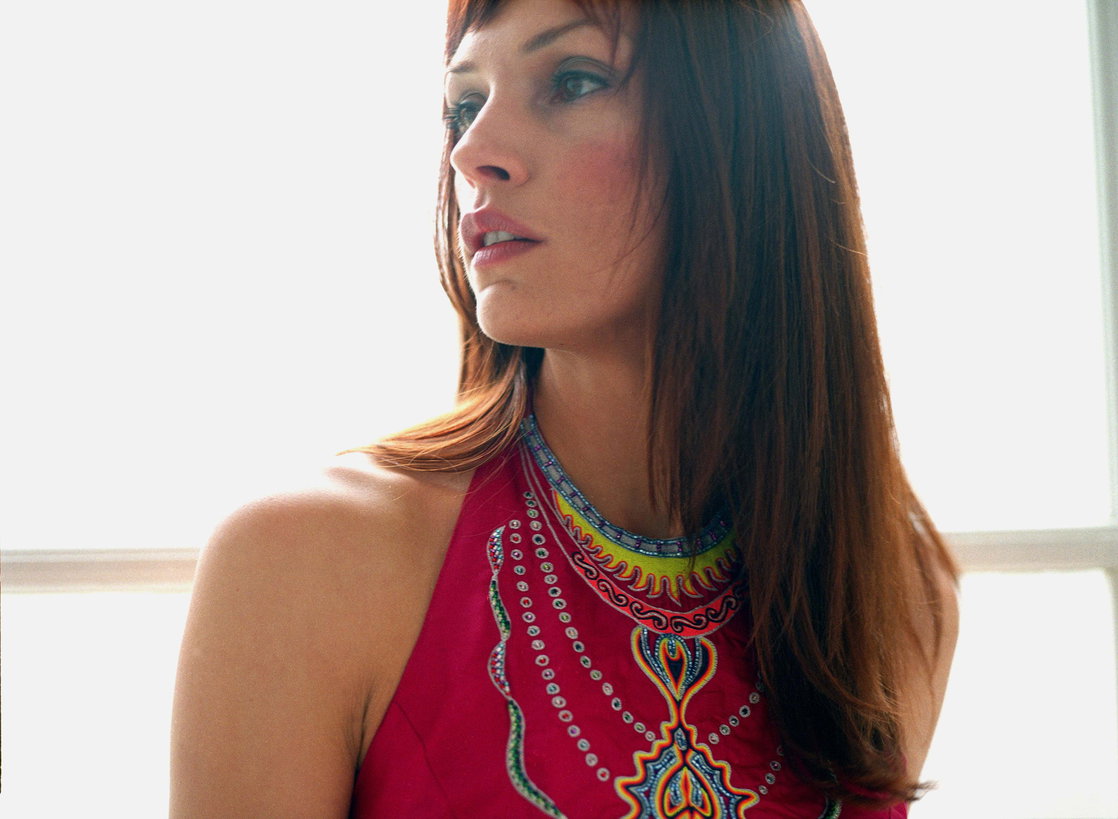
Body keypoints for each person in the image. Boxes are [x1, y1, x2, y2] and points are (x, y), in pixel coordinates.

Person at [171, 0, 959, 816]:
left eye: (572, 81)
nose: (472, 151)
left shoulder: (896, 597)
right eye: (464, 105)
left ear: (744, 129)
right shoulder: (303, 568)